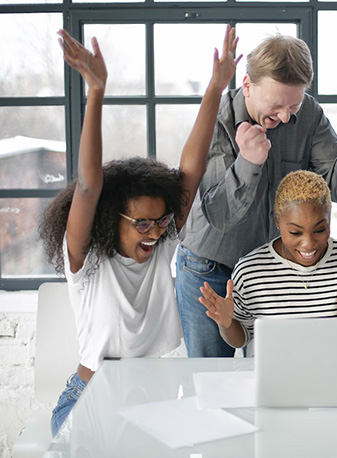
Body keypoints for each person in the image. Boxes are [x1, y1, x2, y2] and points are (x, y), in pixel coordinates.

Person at [39, 26, 240, 436]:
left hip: (156, 404)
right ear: (113, 219)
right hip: (89, 399)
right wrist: (96, 91)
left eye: (162, 220)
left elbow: (191, 169)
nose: (154, 232)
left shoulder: (162, 243)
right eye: (142, 223)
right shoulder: (88, 261)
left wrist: (217, 86)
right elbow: (90, 184)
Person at [176, 33, 337, 357]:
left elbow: (336, 190)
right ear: (248, 85)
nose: (285, 117)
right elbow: (219, 215)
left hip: (269, 272)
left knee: (271, 374)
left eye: (293, 104)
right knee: (211, 378)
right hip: (210, 266)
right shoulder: (217, 119)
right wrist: (248, 162)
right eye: (276, 105)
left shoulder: (308, 114)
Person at [199, 170, 337, 351]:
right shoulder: (250, 271)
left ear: (329, 219)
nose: (308, 244)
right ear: (277, 221)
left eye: (320, 230)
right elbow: (241, 339)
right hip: (276, 377)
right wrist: (226, 324)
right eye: (295, 232)